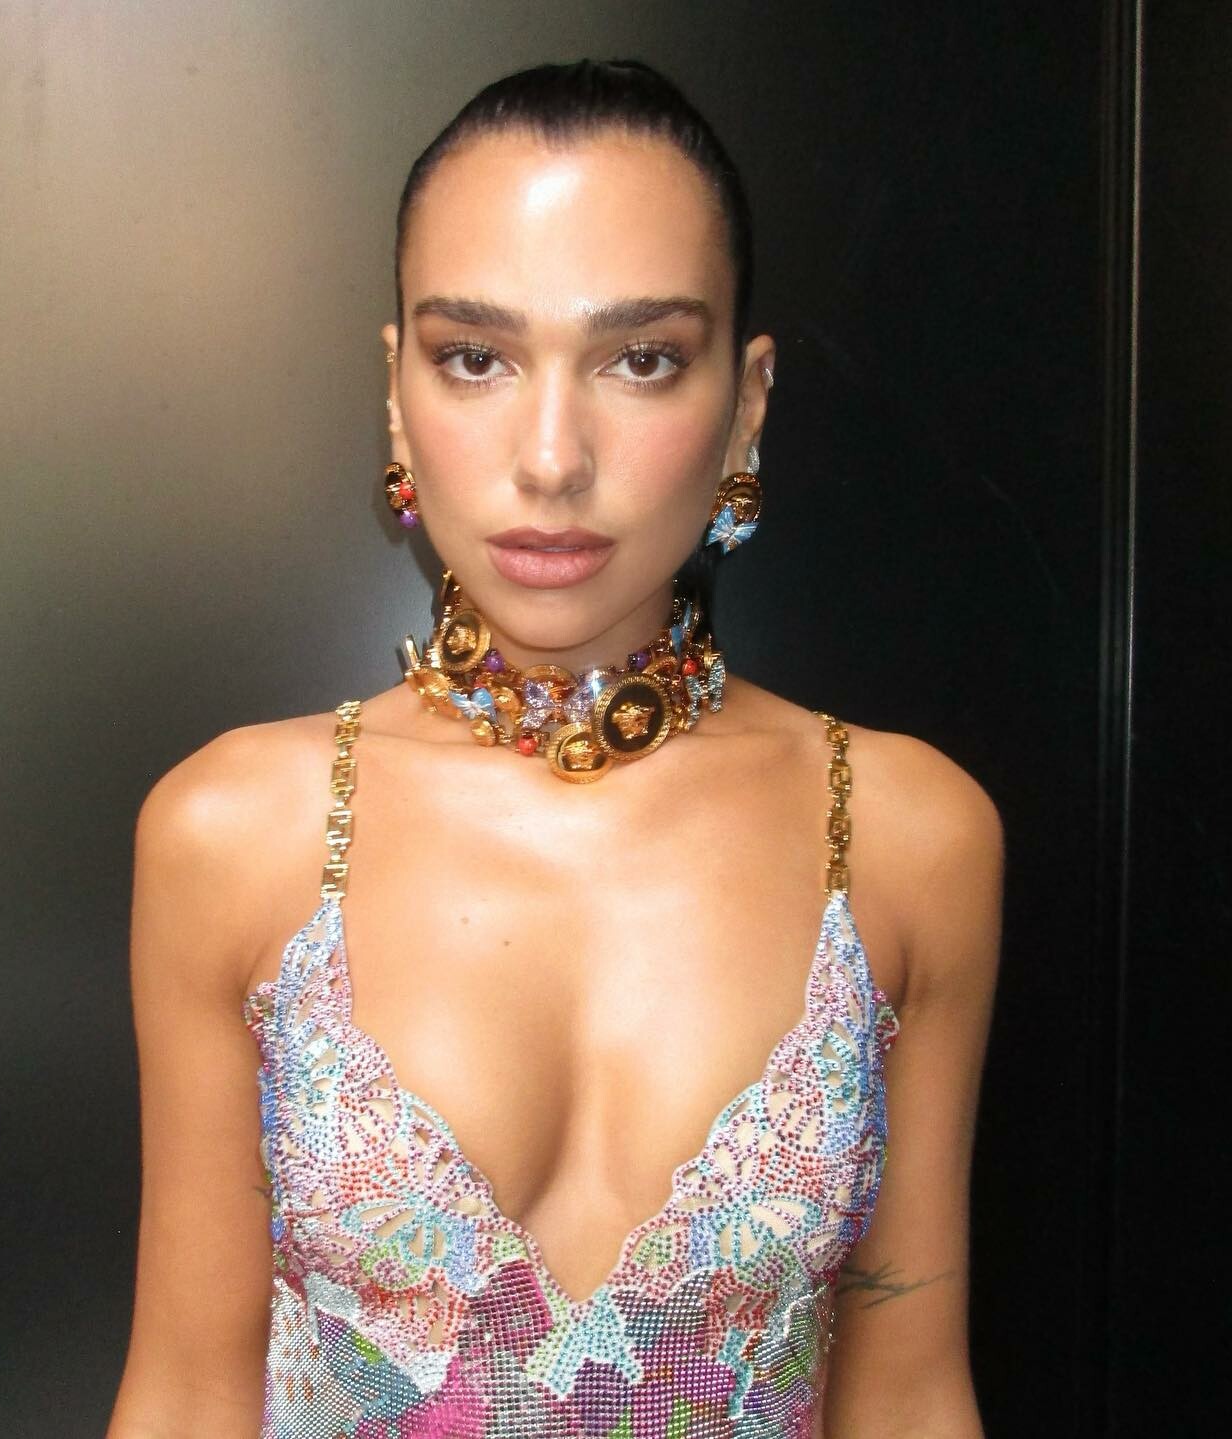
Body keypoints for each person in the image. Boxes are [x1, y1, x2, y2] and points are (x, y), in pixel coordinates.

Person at [106, 58, 1002, 1439]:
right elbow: (183, 1395)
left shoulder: (907, 835)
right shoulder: (231, 834)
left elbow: (913, 1397)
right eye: (476, 357)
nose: (550, 457)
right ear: (396, 391)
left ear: (748, 402)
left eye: (641, 360)